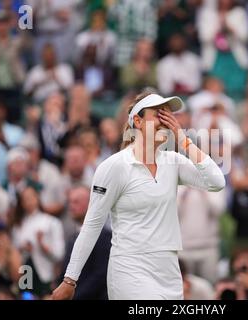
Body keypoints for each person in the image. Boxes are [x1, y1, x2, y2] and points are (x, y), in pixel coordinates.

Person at [52, 89, 225, 300]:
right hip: (130, 269)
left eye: (168, 115)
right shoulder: (114, 166)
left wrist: (183, 140)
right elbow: (92, 225)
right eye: (158, 114)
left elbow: (217, 181)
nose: (165, 121)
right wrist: (70, 279)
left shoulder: (173, 161)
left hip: (169, 271)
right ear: (138, 121)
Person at [60, 186, 112, 300]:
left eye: (76, 202)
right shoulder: (72, 237)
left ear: (90, 204)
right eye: (70, 202)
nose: (71, 206)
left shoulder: (104, 236)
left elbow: (101, 275)